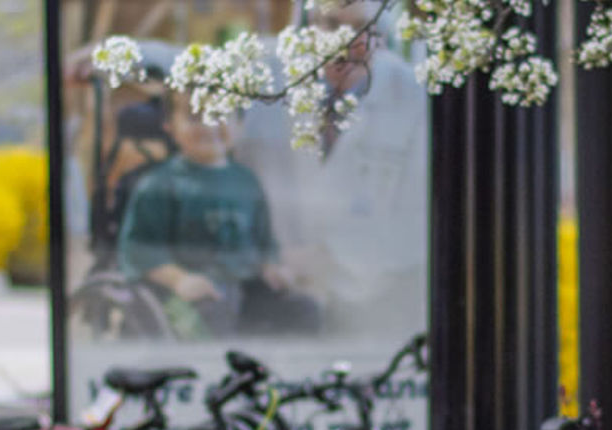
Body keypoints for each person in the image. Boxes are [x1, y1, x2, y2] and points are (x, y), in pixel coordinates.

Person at [235, 0, 429, 338]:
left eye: (360, 28)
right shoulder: (265, 76)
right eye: (331, 24)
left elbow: (418, 223)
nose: (345, 40)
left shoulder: (411, 97)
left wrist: (330, 260)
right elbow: (172, 63)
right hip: (274, 298)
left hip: (375, 307)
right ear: (307, 27)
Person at [117, 93, 323, 338]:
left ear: (239, 124)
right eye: (195, 117)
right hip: (188, 297)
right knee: (214, 316)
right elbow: (139, 250)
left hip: (247, 290)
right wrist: (180, 280)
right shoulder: (160, 185)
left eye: (220, 115)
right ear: (169, 126)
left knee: (305, 310)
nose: (208, 125)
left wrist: (272, 268)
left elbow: (264, 242)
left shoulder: (246, 181)